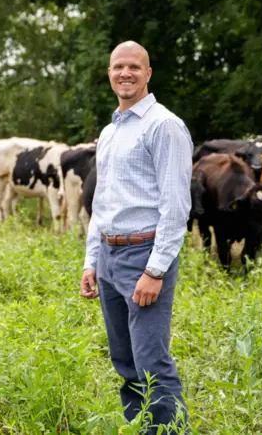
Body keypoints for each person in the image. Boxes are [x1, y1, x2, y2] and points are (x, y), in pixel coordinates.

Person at [80, 40, 193, 432]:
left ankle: (170, 431)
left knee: (151, 362)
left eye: (133, 66)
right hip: (110, 258)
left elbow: (176, 206)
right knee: (124, 361)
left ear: (147, 74)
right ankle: (141, 427)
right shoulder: (110, 132)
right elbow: (103, 203)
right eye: (117, 67)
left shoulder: (164, 125)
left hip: (144, 253)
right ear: (109, 74)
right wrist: (92, 262)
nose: (124, 73)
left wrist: (156, 269)